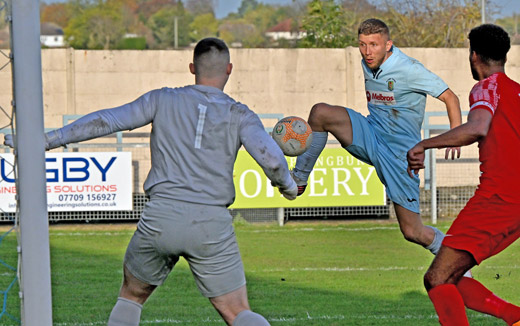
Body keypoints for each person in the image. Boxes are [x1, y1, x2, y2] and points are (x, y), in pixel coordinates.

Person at [4, 38, 297, 326]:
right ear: (229, 69)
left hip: (161, 217)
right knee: (237, 311)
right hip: (210, 223)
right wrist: (290, 187)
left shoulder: (163, 98)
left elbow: (108, 120)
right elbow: (271, 159)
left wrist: (46, 140)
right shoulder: (240, 113)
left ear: (192, 68)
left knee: (131, 296)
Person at [292, 18, 462, 257]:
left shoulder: (409, 68)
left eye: (374, 45)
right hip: (370, 133)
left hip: (400, 155)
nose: (367, 51)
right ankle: (298, 179)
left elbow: (450, 97)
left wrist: (455, 134)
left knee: (413, 231)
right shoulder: (366, 62)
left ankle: (455, 256)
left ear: (388, 45)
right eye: (362, 44)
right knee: (320, 113)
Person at [407, 24, 520, 326]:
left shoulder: (487, 87)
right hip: (514, 205)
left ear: (473, 56)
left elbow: (477, 127)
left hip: (498, 200)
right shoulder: (517, 92)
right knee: (451, 276)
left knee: (437, 278)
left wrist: (424, 144)